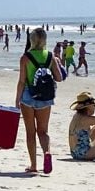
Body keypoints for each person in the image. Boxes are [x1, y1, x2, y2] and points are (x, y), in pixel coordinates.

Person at [16, 27, 64, 174]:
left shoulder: (25, 57)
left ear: (32, 40)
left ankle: (33, 165)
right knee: (43, 131)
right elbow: (59, 78)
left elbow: (22, 81)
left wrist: (17, 99)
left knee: (31, 132)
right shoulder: (50, 56)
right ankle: (47, 152)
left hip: (28, 96)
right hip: (45, 97)